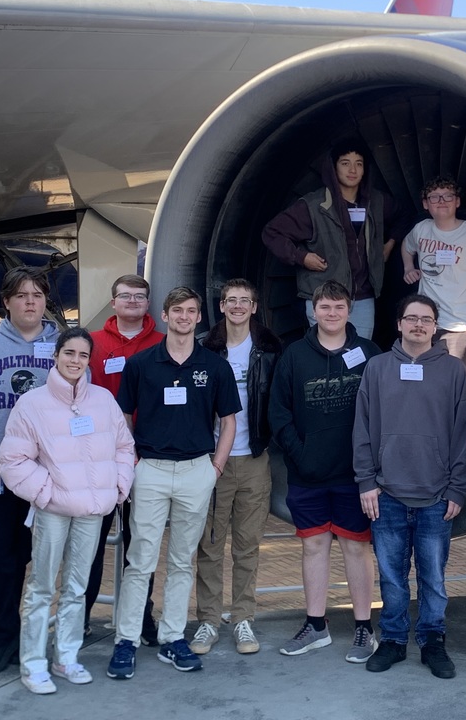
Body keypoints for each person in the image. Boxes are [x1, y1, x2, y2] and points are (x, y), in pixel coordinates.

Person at [107, 287, 241, 679]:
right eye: (177, 310)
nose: (184, 317)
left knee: (183, 560)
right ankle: (126, 640)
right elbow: (124, 416)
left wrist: (215, 466)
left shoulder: (215, 366)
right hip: (151, 469)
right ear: (165, 316)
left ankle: (172, 638)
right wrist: (132, 461)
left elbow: (229, 420)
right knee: (140, 561)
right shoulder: (142, 363)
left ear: (200, 318)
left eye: (191, 311)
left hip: (196, 471)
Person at [0, 328, 135, 694]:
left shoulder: (103, 400)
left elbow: (124, 446)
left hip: (92, 510)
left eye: (83, 355)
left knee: (77, 587)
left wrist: (119, 485)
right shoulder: (32, 404)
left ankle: (66, 656)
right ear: (56, 356)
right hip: (54, 511)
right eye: (69, 353)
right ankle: (33, 663)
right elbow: (13, 460)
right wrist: (46, 493)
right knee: (42, 587)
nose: (76, 361)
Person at [353, 294, 466, 679]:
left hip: (436, 494)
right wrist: (366, 481)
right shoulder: (376, 368)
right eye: (412, 318)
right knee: (390, 577)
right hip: (386, 493)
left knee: (433, 577)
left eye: (426, 319)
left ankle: (432, 640)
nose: (419, 325)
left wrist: (458, 488)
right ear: (400, 324)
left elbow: (464, 434)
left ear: (436, 326)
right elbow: (362, 429)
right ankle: (392, 640)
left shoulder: (454, 371)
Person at [268, 279, 381, 663]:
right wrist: (300, 456)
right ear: (312, 311)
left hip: (355, 476)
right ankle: (316, 625)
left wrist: (371, 465)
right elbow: (278, 412)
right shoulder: (294, 355)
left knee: (356, 547)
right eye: (325, 308)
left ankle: (365, 628)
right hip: (308, 473)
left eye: (339, 307)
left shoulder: (368, 353)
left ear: (350, 312)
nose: (332, 314)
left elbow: (383, 412)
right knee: (313, 546)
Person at [0, 266, 59, 676]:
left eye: (37, 294)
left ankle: (36, 642)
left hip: (49, 476)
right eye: (21, 295)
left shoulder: (62, 345)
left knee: (43, 562)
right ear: (6, 302)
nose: (30, 302)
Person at [192, 278, 282, 655]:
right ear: (223, 305)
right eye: (232, 300)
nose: (238, 307)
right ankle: (209, 621)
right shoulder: (204, 350)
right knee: (210, 547)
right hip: (213, 462)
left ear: (255, 307)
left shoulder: (270, 350)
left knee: (247, 546)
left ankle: (243, 618)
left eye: (245, 300)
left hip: (254, 459)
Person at [83, 274, 163, 643]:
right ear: (113, 302)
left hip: (146, 461)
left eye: (140, 296)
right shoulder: (91, 344)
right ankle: (80, 618)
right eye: (125, 296)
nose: (132, 301)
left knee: (140, 546)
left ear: (148, 304)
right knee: (89, 545)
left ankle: (141, 619)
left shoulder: (164, 344)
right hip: (97, 462)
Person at [261, 138, 402, 338]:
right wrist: (302, 257)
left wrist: (389, 244)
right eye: (345, 163)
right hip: (324, 299)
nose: (352, 170)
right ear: (333, 168)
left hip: (363, 299)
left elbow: (403, 217)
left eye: (358, 164)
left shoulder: (377, 202)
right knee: (327, 355)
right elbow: (272, 232)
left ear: (365, 170)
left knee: (358, 356)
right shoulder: (313, 206)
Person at [400, 176, 466, 396]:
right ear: (425, 204)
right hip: (425, 325)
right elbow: (407, 246)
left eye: (448, 196)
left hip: (460, 327)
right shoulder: (422, 229)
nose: (441, 201)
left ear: (457, 202)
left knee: (459, 390)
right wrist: (408, 268)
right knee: (422, 386)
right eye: (434, 197)